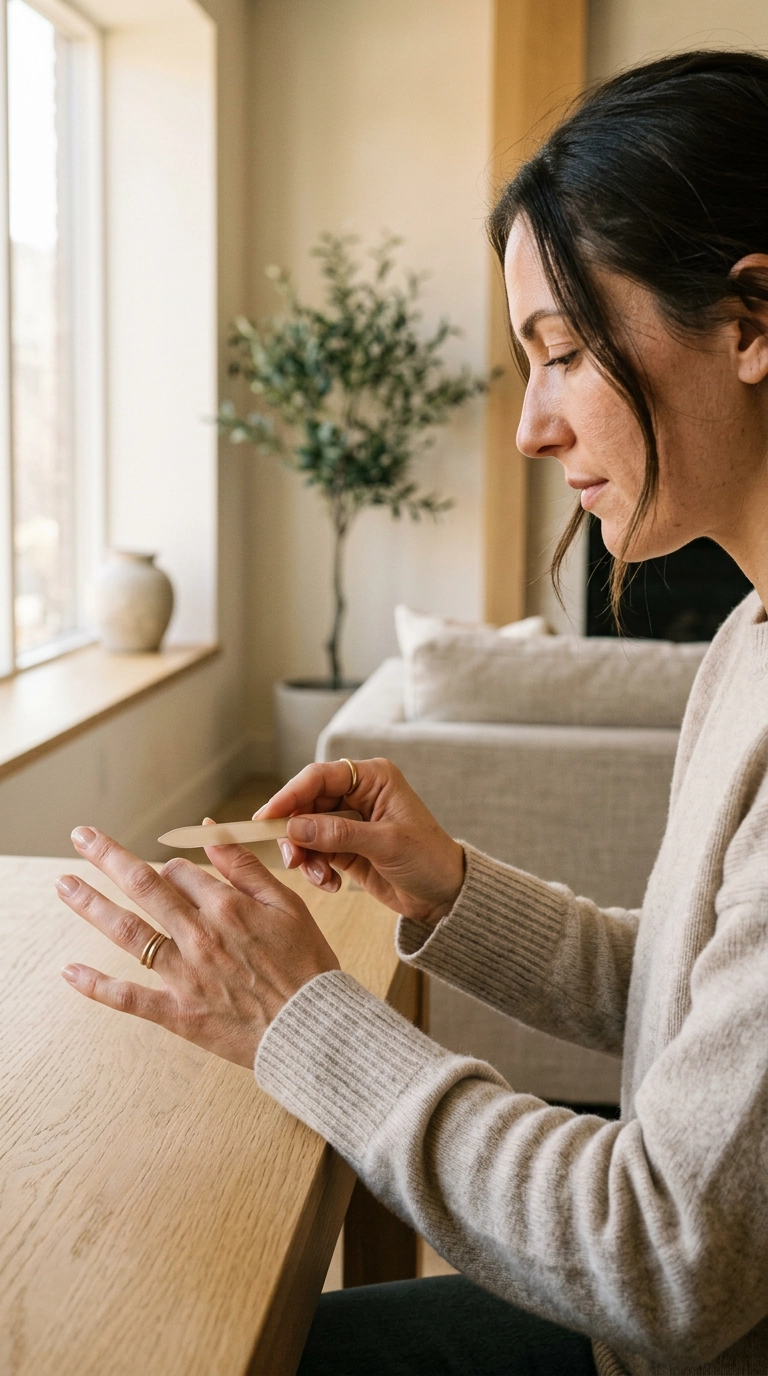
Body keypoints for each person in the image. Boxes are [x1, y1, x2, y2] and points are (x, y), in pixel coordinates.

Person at [57, 51, 768, 1376]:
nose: (530, 429)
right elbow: (682, 1001)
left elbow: (668, 1256)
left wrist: (302, 1019)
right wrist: (445, 885)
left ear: (750, 318)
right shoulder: (745, 640)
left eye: (560, 351)